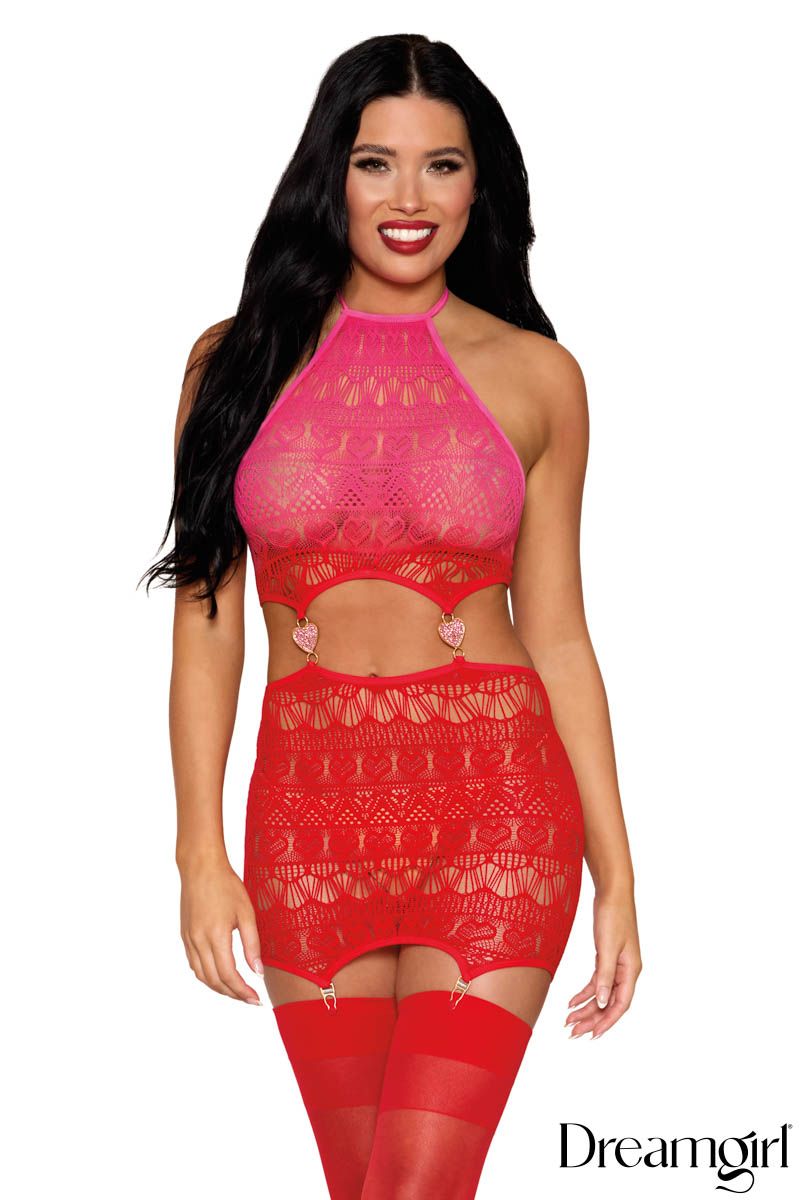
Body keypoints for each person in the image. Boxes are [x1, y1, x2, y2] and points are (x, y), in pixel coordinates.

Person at [141, 32, 642, 1200]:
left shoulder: (538, 376)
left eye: (441, 165)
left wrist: (616, 874)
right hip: (305, 821)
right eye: (375, 163)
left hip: (496, 809)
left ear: (478, 186)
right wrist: (197, 851)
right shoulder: (230, 365)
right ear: (330, 175)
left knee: (416, 1188)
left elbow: (557, 633)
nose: (408, 198)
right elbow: (206, 618)